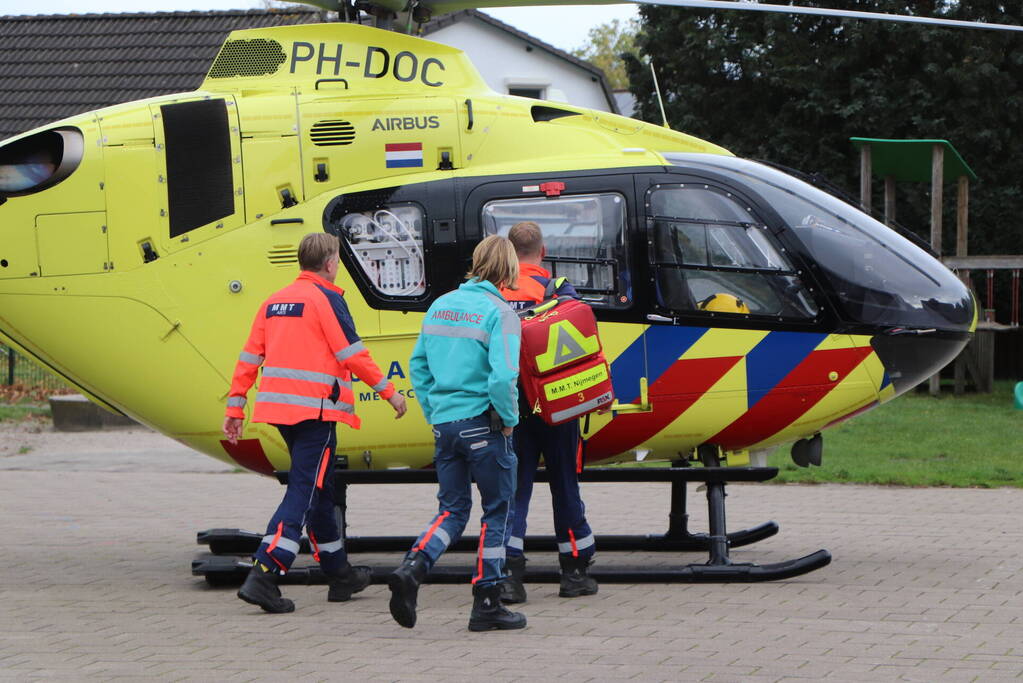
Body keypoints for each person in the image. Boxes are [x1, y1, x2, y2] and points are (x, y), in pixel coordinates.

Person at [223, 232, 407, 614]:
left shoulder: (273, 302)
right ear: (328, 263)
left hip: (280, 413)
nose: (338, 266)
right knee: (305, 490)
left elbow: (248, 358)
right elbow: (352, 354)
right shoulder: (327, 299)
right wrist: (390, 392)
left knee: (321, 489)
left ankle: (339, 573)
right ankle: (265, 572)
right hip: (315, 412)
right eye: (337, 260)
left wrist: (235, 409)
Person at [387, 235, 526, 632]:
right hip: (485, 425)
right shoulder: (501, 312)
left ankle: (413, 567)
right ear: (508, 268)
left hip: (446, 426)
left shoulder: (441, 305)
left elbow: (418, 366)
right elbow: (503, 377)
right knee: (497, 511)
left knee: (451, 510)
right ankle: (487, 601)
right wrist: (509, 418)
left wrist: (436, 413)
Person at [499, 221, 598, 604]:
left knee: (512, 491)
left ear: (508, 252)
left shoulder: (493, 292)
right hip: (557, 405)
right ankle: (574, 572)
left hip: (511, 407)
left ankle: (508, 575)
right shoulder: (558, 290)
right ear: (542, 253)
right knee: (565, 485)